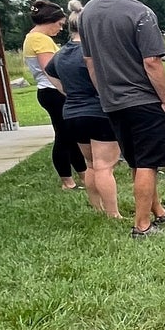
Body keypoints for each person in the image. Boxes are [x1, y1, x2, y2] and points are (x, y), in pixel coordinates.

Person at [79, 0, 165, 240]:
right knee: (148, 163)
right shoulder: (140, 13)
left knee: (138, 161)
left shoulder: (88, 12)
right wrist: (164, 98)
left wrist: (104, 92)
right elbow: (152, 62)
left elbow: (89, 61)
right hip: (143, 99)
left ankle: (159, 212)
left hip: (112, 102)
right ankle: (143, 226)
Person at [44, 15, 120, 219]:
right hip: (98, 112)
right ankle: (113, 214)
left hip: (72, 113)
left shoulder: (61, 54)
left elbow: (48, 72)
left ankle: (97, 208)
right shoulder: (92, 51)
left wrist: (66, 91)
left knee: (91, 164)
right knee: (105, 165)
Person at [22, 0, 86, 192]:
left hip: (49, 91)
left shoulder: (32, 37)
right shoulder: (40, 39)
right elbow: (51, 70)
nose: (60, 29)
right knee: (63, 136)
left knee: (70, 135)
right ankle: (67, 181)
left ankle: (83, 174)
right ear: (50, 21)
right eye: (59, 24)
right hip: (53, 91)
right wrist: (67, 91)